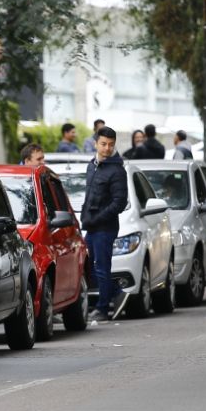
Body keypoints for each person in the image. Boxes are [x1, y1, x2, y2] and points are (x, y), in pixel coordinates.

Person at [82, 128, 128, 321]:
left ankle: (103, 308)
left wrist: (98, 218)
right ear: (96, 143)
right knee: (87, 267)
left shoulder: (117, 170)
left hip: (105, 228)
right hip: (90, 226)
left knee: (101, 267)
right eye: (103, 144)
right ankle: (117, 292)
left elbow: (119, 202)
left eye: (111, 144)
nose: (107, 148)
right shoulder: (91, 166)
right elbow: (89, 196)